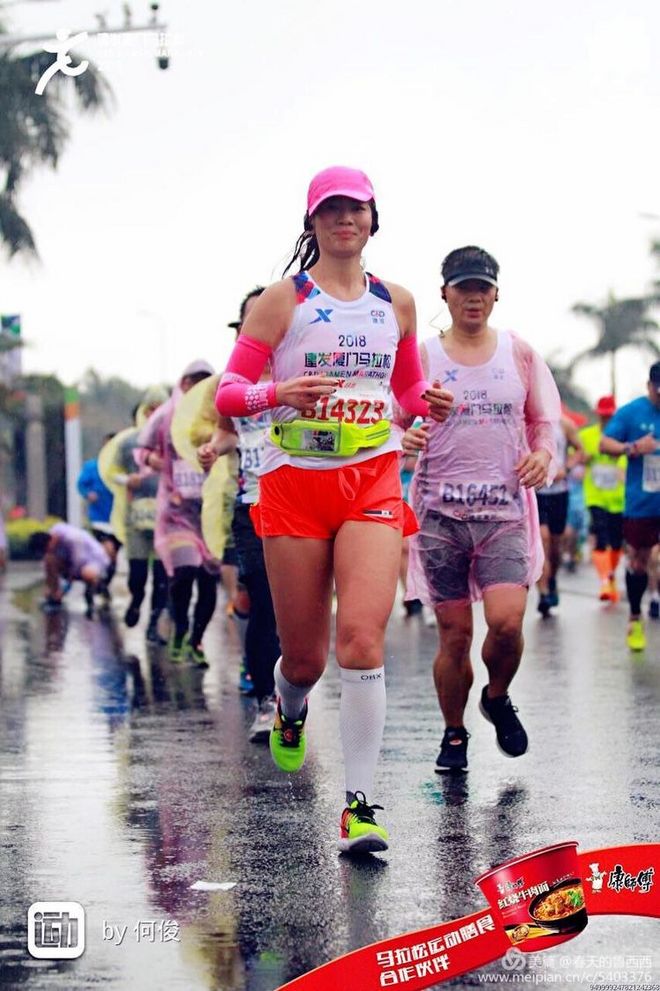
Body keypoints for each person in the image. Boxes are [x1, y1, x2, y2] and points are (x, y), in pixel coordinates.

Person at [215, 165, 452, 852]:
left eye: (357, 209)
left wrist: (427, 403)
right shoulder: (280, 301)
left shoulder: (397, 304)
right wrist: (278, 392)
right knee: (306, 657)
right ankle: (290, 708)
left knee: (362, 641)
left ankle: (359, 805)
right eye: (331, 210)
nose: (345, 220)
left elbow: (407, 391)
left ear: (374, 220)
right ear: (313, 221)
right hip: (295, 485)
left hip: (372, 481)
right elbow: (231, 390)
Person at [404, 245, 560, 773]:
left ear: (496, 294)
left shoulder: (518, 353)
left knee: (507, 624)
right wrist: (405, 437)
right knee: (455, 635)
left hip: (505, 514)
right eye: (463, 287)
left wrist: (541, 454)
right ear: (444, 294)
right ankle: (454, 733)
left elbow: (544, 422)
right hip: (439, 517)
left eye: (483, 288)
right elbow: (393, 418)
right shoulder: (422, 357)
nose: (474, 297)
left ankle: (496, 696)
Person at [200, 286, 282, 741]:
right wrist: (214, 447)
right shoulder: (234, 380)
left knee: (298, 608)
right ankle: (267, 702)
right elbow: (226, 431)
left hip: (302, 501)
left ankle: (293, 686)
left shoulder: (301, 363)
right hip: (253, 502)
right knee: (262, 603)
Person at [136, 360, 220, 666]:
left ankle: (196, 640)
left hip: (210, 511)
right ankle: (180, 628)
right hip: (176, 512)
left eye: (204, 381)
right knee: (185, 572)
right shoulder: (165, 417)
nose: (196, 387)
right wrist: (156, 462)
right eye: (192, 381)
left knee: (209, 581)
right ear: (182, 383)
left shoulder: (218, 414)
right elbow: (141, 449)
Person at [600, 362, 660, 651]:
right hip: (642, 504)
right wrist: (633, 448)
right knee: (638, 560)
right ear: (650, 386)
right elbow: (604, 444)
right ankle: (635, 618)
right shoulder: (632, 412)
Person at [114, 387, 170, 641]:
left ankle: (154, 624)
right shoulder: (128, 443)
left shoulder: (175, 440)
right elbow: (110, 471)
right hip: (136, 517)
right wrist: (128, 479)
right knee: (137, 573)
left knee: (162, 576)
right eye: (151, 408)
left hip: (166, 518)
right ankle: (136, 600)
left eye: (161, 407)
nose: (155, 413)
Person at [579, 396, 626, 602]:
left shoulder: (622, 437)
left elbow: (627, 460)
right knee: (601, 537)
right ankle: (605, 581)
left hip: (617, 498)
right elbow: (576, 456)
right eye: (604, 415)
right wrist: (583, 458)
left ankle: (611, 575)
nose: (607, 419)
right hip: (595, 496)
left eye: (610, 415)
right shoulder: (587, 436)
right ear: (598, 414)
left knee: (616, 543)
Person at [535, 416, 584, 616]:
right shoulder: (526, 419)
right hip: (536, 492)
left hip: (559, 493)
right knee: (542, 539)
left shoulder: (564, 424)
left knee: (555, 546)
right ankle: (543, 592)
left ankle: (552, 578)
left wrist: (567, 468)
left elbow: (581, 450)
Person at [29, 521, 111, 617]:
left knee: (87, 574)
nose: (49, 551)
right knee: (49, 560)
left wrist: (63, 591)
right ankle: (54, 595)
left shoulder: (72, 539)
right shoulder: (55, 532)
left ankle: (95, 592)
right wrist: (50, 588)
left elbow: (75, 568)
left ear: (50, 542)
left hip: (94, 560)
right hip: (73, 562)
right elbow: (50, 567)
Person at [77, 439, 121, 591]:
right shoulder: (92, 466)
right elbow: (81, 484)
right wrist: (88, 494)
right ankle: (94, 583)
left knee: (113, 556)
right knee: (105, 551)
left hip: (117, 519)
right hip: (98, 519)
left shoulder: (121, 468)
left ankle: (104, 583)